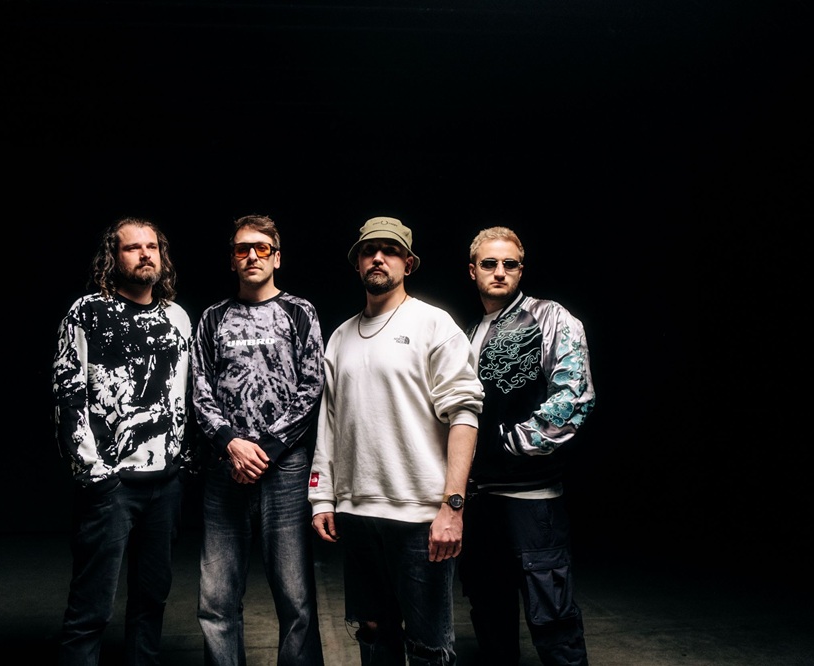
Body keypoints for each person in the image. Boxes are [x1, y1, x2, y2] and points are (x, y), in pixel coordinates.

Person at [309, 216, 484, 666]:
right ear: (357, 263)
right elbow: (330, 422)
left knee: (428, 645)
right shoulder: (340, 336)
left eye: (390, 251)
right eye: (369, 251)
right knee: (372, 633)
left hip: (420, 517)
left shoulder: (433, 324)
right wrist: (322, 497)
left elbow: (464, 415)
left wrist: (453, 506)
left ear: (408, 263)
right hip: (358, 513)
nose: (378, 258)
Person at [51, 217, 194, 666]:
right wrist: (94, 475)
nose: (145, 254)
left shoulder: (177, 317)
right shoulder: (87, 311)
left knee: (152, 602)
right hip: (110, 485)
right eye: (133, 247)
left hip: (165, 484)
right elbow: (67, 392)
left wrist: (179, 462)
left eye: (152, 246)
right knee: (91, 609)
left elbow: (183, 395)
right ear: (113, 257)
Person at [191, 214, 326, 666]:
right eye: (242, 249)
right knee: (216, 601)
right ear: (232, 260)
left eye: (262, 248)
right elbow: (200, 391)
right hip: (225, 469)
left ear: (276, 257)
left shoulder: (300, 312)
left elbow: (312, 387)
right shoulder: (212, 318)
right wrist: (232, 444)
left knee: (295, 600)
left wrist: (265, 450)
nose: (252, 255)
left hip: (285, 469)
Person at [459, 225, 595, 666]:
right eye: (489, 264)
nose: (499, 272)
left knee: (553, 619)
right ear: (473, 270)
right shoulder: (467, 332)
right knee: (489, 615)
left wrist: (507, 443)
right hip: (480, 503)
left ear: (521, 270)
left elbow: (574, 397)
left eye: (509, 264)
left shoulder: (550, 317)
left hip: (533, 502)